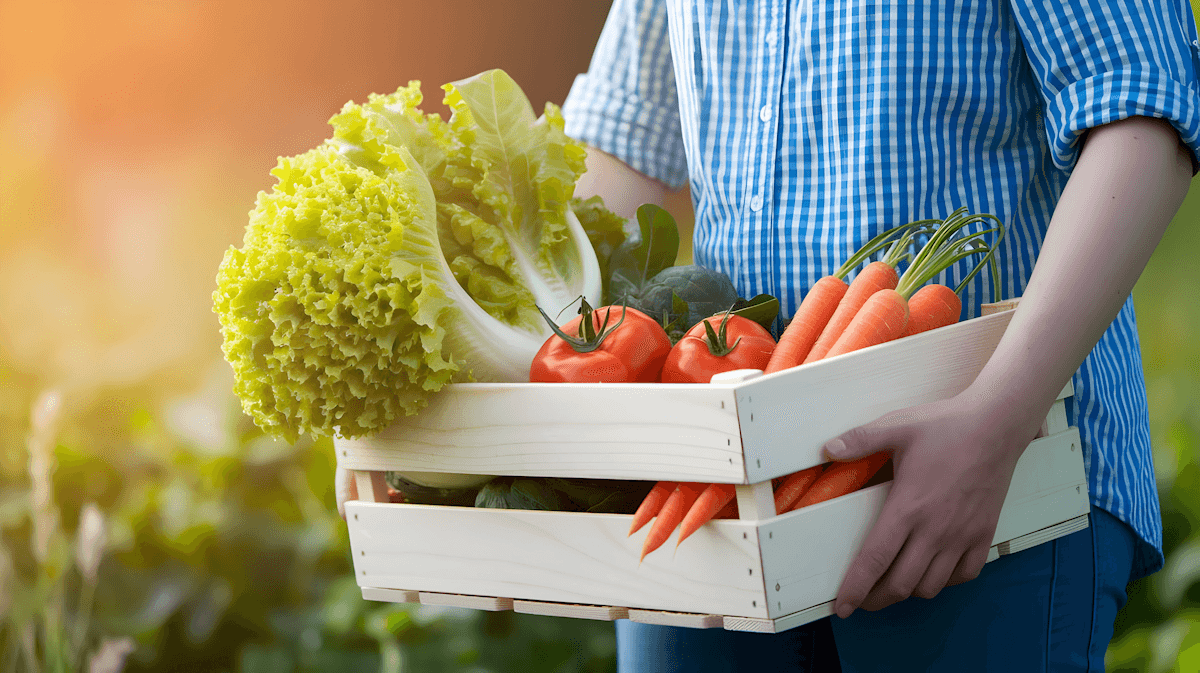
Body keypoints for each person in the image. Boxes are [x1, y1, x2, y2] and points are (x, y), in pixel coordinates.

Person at [554, 0, 1200, 671]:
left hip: (990, 475)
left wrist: (996, 421)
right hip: (721, 494)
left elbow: (1142, 112)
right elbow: (623, 146)